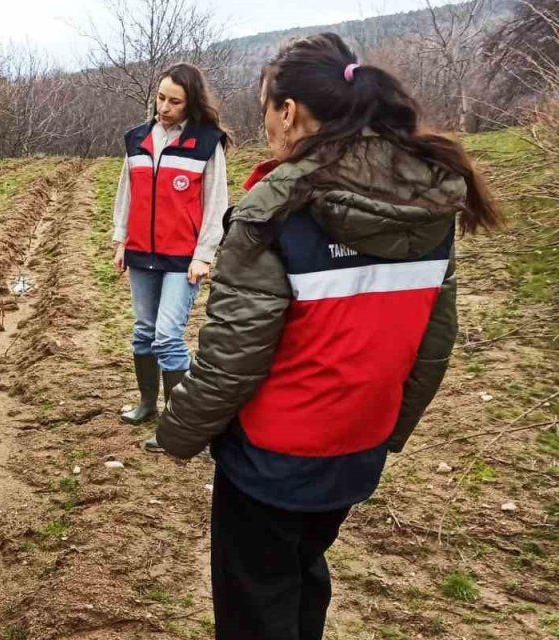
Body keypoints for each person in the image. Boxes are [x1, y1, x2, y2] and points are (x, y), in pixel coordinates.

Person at [155, 33, 502, 640]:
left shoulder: (275, 207)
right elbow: (433, 343)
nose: (265, 123)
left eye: (265, 108)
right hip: (356, 450)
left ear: (288, 111)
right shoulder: (429, 197)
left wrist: (177, 433)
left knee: (255, 605)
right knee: (304, 573)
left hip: (270, 458)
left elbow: (230, 361)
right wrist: (389, 430)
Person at [110, 63, 230, 453]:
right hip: (141, 253)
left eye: (174, 101)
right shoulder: (137, 139)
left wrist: (204, 255)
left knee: (167, 336)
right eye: (161, 98)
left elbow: (216, 205)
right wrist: (120, 240)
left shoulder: (206, 143)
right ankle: (147, 403)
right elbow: (125, 194)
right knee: (144, 331)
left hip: (183, 258)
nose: (164, 107)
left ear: (190, 103)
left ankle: (178, 422)